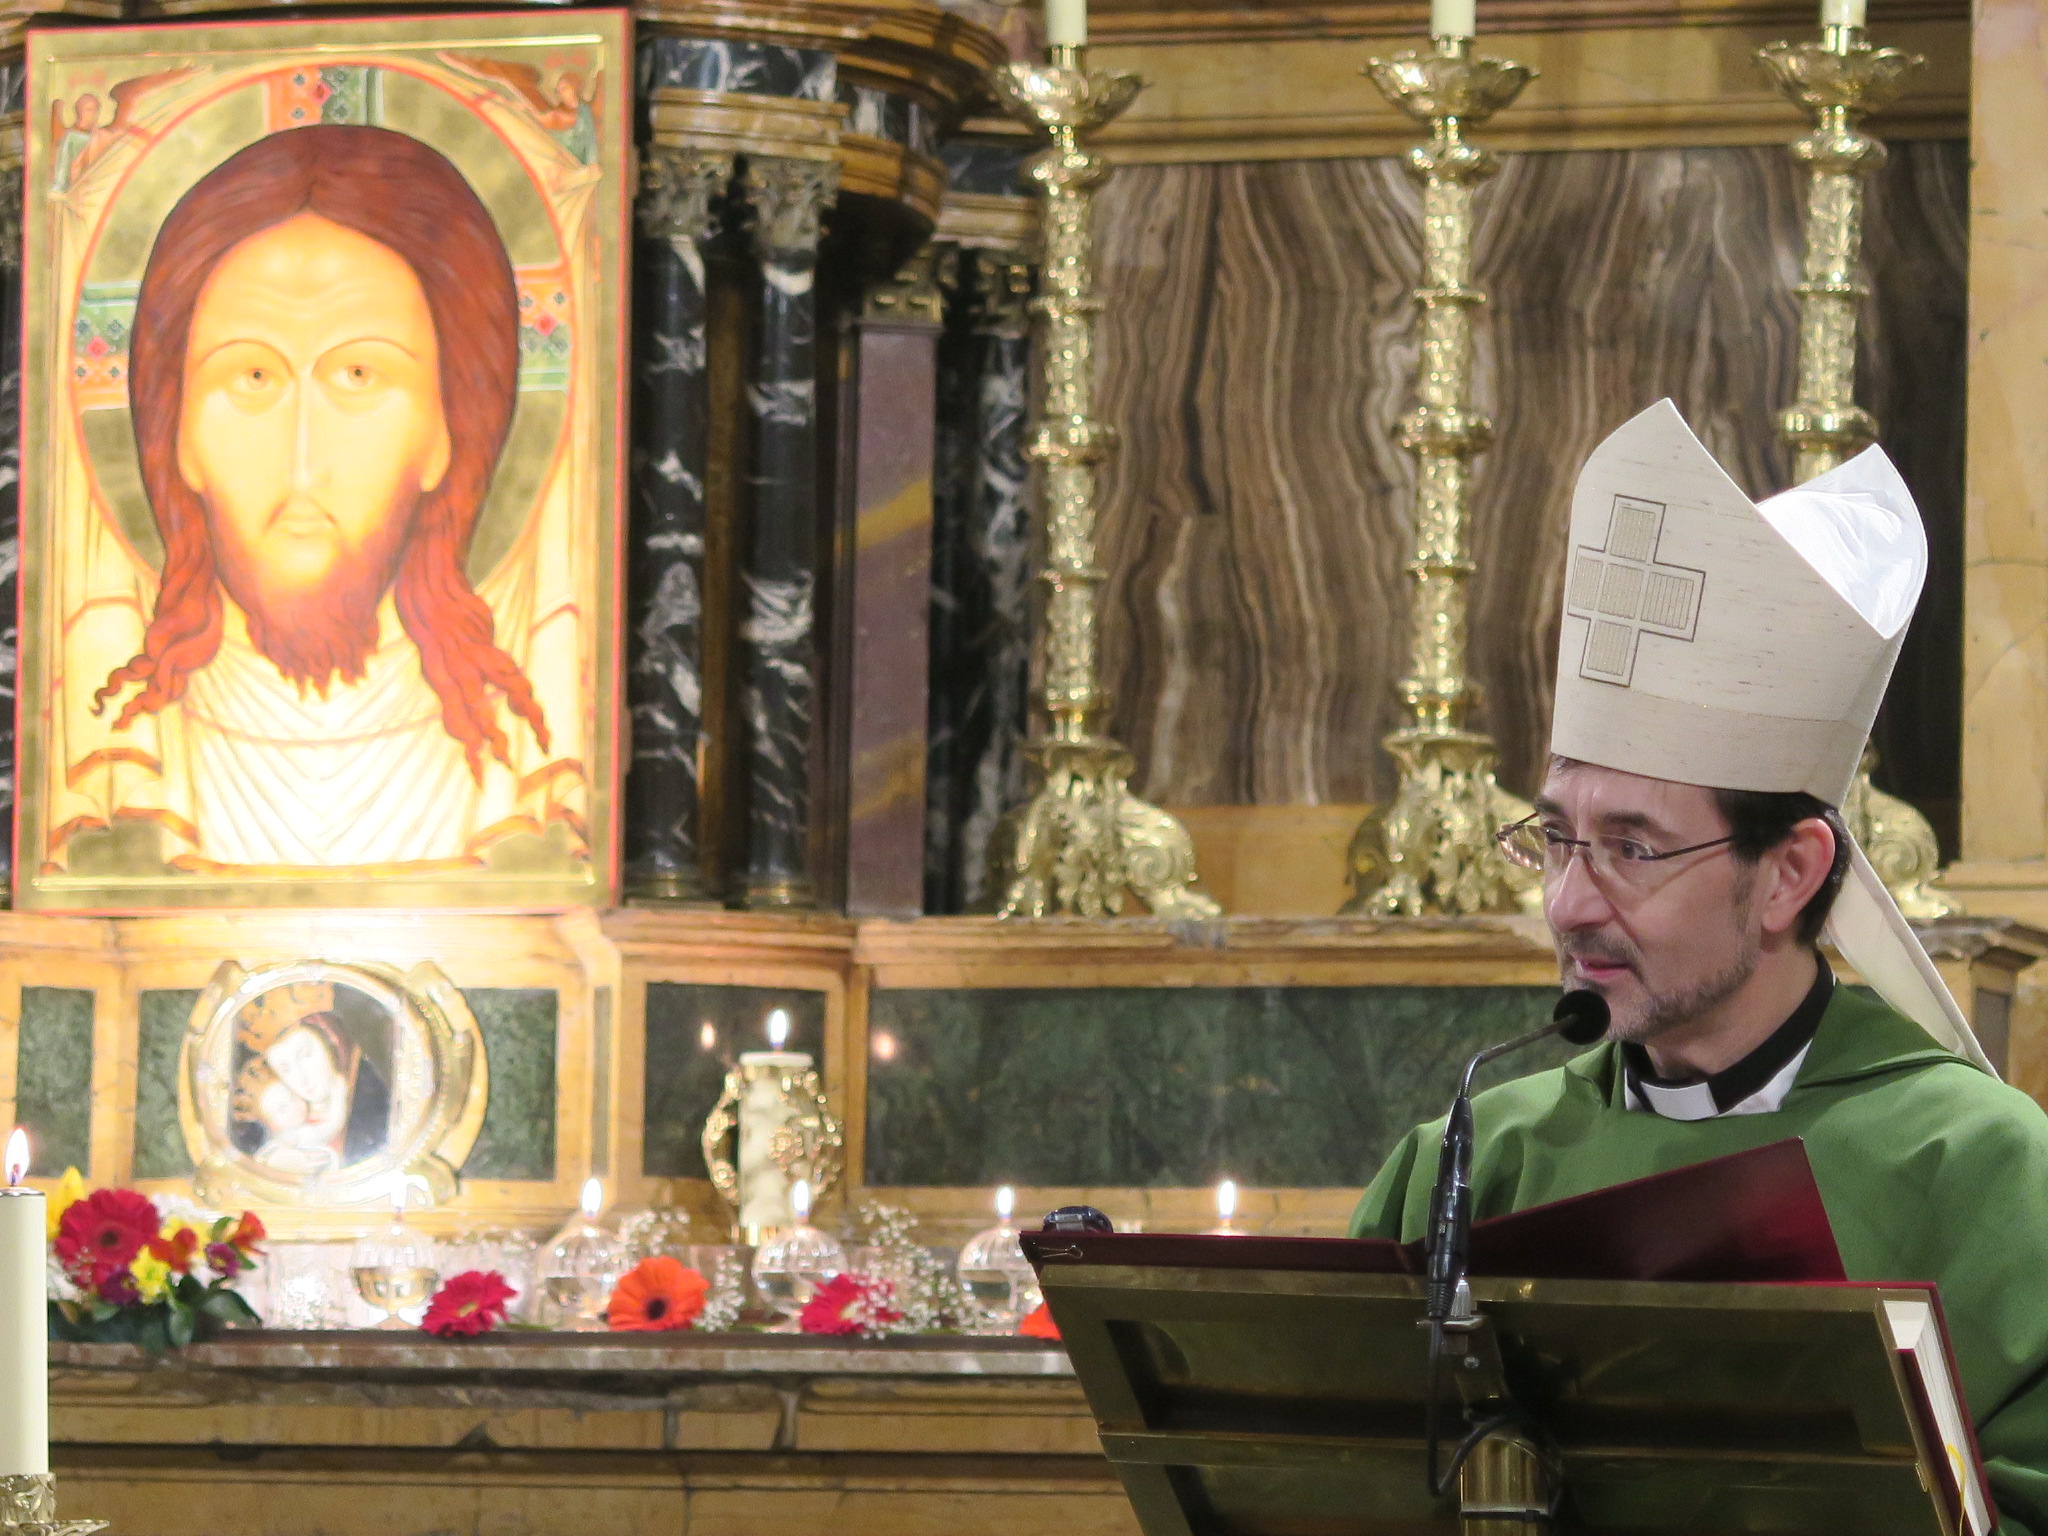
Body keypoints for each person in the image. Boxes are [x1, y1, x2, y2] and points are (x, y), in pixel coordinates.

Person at [1352, 400, 2048, 1533]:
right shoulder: (1471, 1163)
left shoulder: (1981, 1172)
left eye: (1632, 848)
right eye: (1556, 837)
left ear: (1787, 874)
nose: (1569, 903)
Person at [80, 123, 577, 869]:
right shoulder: (124, 763)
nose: (303, 459)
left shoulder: (522, 775)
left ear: (449, 431)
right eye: (252, 378)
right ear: (174, 436)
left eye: (359, 376)